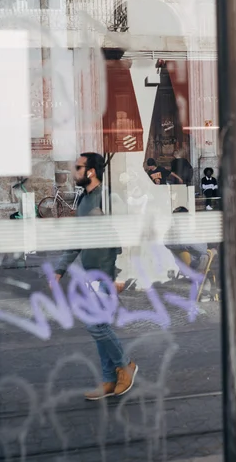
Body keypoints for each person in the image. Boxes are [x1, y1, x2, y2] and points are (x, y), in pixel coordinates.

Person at [53, 152, 138, 401]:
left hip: (107, 274)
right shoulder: (83, 199)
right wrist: (60, 269)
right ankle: (109, 380)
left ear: (91, 171)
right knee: (100, 325)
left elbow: (126, 236)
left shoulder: (109, 198)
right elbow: (77, 239)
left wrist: (122, 274)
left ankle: (125, 365)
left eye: (78, 167)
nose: (74, 172)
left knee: (96, 325)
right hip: (90, 274)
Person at [167, 207, 217, 301]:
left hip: (183, 264)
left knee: (209, 255)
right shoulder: (185, 234)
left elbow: (167, 243)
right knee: (213, 252)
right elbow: (202, 249)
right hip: (194, 265)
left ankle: (205, 288)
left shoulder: (170, 233)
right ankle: (205, 293)